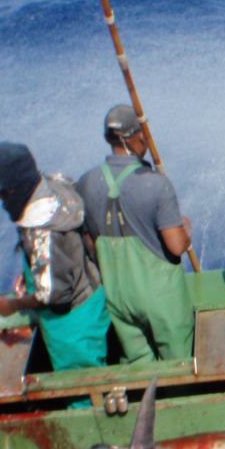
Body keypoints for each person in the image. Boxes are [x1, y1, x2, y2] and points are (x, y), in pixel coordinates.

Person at [0, 142, 110, 372]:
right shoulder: (57, 187)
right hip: (93, 295)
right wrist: (35, 270)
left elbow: (53, 294)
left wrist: (13, 305)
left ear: (16, 189)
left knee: (81, 379)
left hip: (72, 322)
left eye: (2, 192)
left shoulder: (42, 230)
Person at [77, 105, 194, 364]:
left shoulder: (86, 182)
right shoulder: (156, 184)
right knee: (177, 365)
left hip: (116, 295)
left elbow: (88, 242)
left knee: (138, 367)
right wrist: (186, 230)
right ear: (137, 136)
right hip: (161, 299)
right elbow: (176, 246)